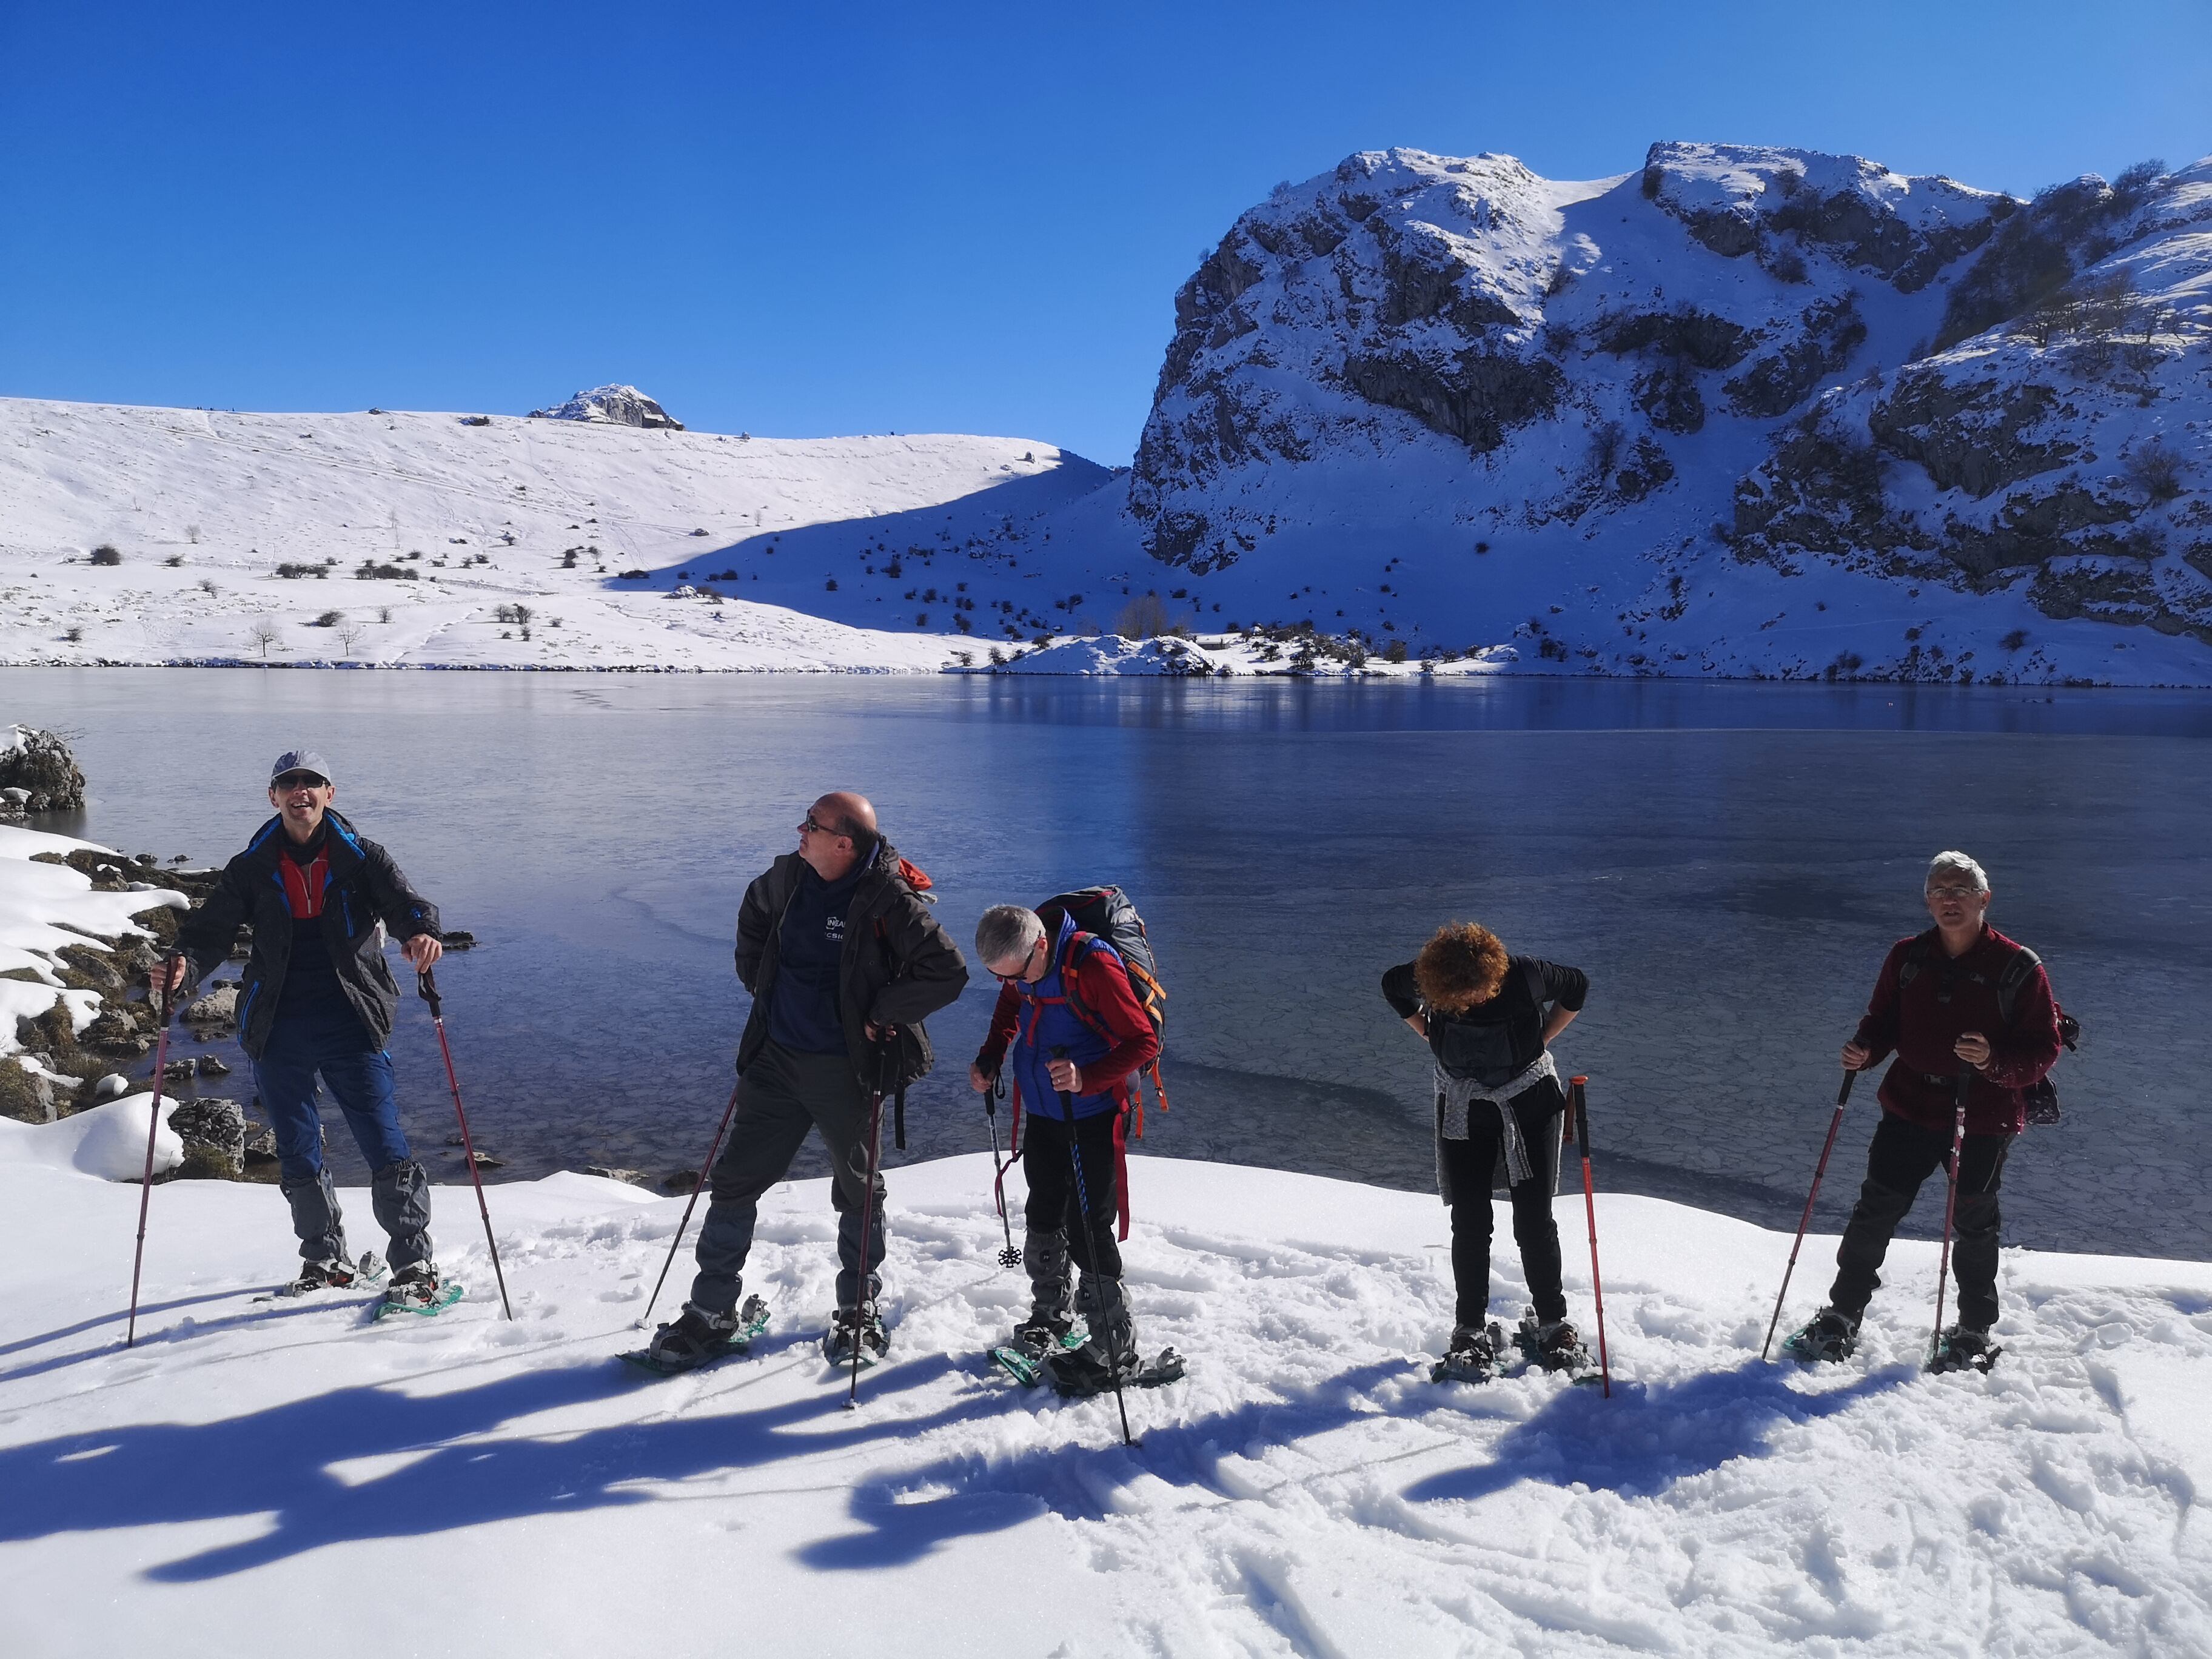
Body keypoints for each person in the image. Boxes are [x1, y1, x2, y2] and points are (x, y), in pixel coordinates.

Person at [646, 791, 967, 1369]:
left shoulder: (887, 898)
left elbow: (947, 972)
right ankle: (712, 1312)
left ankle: (857, 1311)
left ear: (844, 843)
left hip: (845, 1070)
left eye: (812, 825)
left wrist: (880, 1013)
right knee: (735, 1182)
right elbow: (753, 916)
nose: (800, 829)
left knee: (859, 1191)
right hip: (775, 1061)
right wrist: (762, 985)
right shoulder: (789, 876)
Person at [161, 749, 449, 1309]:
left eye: (311, 783)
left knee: (384, 1144)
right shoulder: (252, 866)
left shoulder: (363, 859)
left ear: (329, 794)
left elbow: (407, 905)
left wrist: (421, 933)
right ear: (274, 797)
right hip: (277, 1024)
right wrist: (183, 966)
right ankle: (325, 1259)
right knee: (295, 1148)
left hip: (352, 1020)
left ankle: (414, 1264)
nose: (301, 792)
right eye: (288, 784)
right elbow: (208, 933)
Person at [1796, 851, 2061, 1369]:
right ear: (1927, 901)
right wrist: (1865, 1053)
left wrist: (1993, 1060)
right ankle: (1842, 1314)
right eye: (1939, 890)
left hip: (1982, 1115)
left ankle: (1973, 1329)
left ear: (1985, 899)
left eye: (1961, 890)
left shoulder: (2019, 967)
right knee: (1876, 1211)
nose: (1949, 899)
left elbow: (2043, 1049)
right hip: (1910, 1105)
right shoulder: (1907, 957)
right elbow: (1882, 1022)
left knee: (1974, 1222)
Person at [1382, 923, 1589, 1377]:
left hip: (1529, 1100)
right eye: (1462, 998)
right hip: (1463, 1106)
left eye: (1480, 992)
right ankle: (1469, 1329)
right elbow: (1390, 987)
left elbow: (1577, 986)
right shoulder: (1423, 979)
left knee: (1534, 1217)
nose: (1474, 1002)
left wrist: (1544, 1038)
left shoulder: (1527, 975)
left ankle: (1553, 1321)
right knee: (1470, 1220)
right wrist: (1427, 1033)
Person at [969, 903, 1161, 1391]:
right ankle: (1050, 1315)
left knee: (1088, 1226)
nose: (1018, 985)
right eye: (1003, 977)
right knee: (1044, 1211)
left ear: (1040, 946)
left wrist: (1087, 1078)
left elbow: (1143, 1042)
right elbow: (1012, 1005)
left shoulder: (1091, 964)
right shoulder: (1022, 971)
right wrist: (991, 1054)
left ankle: (1114, 1348)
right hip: (1043, 1110)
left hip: (1092, 1114)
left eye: (1020, 975)